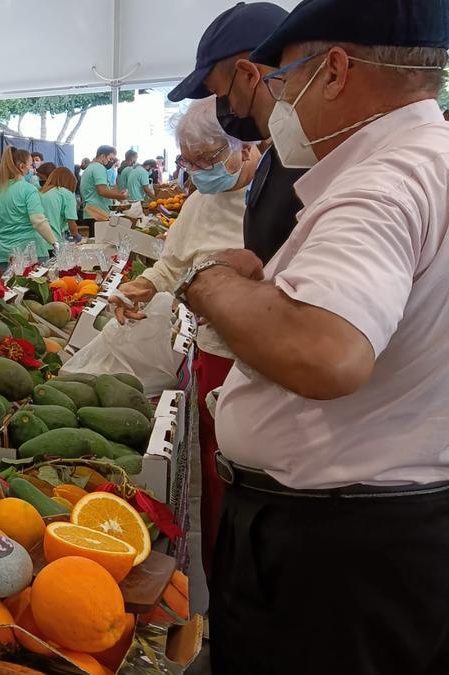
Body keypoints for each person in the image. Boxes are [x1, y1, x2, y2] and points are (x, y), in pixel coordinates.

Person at [177, 1, 449, 672]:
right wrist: (270, 282)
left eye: (286, 78)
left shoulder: (383, 180)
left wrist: (209, 282)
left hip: (338, 557)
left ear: (332, 71)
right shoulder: (429, 159)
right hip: (384, 539)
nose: (279, 101)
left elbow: (324, 351)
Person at [109, 97, 259, 581]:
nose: (196, 173)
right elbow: (173, 262)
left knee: (257, 476)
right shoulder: (198, 199)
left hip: (265, 360)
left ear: (244, 148)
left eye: (207, 160)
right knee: (217, 472)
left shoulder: (279, 196)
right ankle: (219, 582)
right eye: (187, 162)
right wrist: (144, 284)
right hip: (215, 353)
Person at [170, 2, 301, 265]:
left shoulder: (308, 159)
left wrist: (214, 288)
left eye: (221, 95)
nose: (228, 112)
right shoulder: (279, 159)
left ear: (248, 75)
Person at [0, 147, 55, 264]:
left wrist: (5, 239)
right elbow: (38, 220)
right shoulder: (28, 190)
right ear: (22, 167)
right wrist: (54, 242)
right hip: (32, 257)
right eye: (31, 165)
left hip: (4, 256)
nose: (33, 170)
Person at [79, 145, 128, 221]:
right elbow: (102, 191)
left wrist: (116, 195)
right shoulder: (99, 168)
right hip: (98, 212)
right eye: (110, 159)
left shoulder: (90, 168)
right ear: (102, 156)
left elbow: (100, 190)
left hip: (91, 212)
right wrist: (121, 196)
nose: (111, 162)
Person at [38, 167, 82, 243]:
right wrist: (76, 236)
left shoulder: (41, 192)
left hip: (38, 240)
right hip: (54, 240)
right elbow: (71, 222)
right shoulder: (67, 194)